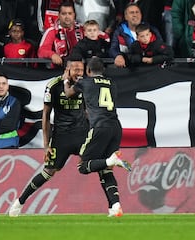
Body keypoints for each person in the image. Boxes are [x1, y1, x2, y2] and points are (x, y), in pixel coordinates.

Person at [8, 59, 89, 217]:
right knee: (49, 171)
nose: (79, 73)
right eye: (76, 70)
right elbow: (45, 114)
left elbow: (87, 110)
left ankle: (114, 206)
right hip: (61, 136)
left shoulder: (84, 84)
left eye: (81, 70)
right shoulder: (53, 86)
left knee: (100, 164)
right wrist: (46, 144)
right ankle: (20, 202)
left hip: (82, 133)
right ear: (67, 69)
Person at [63, 57, 131, 217]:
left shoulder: (85, 82)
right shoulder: (112, 83)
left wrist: (67, 80)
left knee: (83, 166)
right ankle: (115, 206)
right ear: (103, 71)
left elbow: (68, 94)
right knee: (106, 171)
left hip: (100, 127)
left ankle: (110, 160)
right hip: (115, 127)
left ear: (88, 71)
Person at [109, 2, 162, 67]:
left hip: (149, 68)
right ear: (126, 16)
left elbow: (161, 47)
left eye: (137, 12)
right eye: (132, 13)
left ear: (141, 15)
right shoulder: (119, 32)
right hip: (128, 68)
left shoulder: (152, 30)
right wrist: (118, 56)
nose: (135, 15)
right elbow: (113, 49)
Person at [38, 1, 84, 68]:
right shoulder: (51, 31)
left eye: (70, 13)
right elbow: (41, 51)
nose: (67, 16)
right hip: (58, 71)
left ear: (74, 15)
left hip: (80, 70)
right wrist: (52, 55)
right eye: (64, 14)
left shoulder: (83, 29)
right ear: (58, 15)